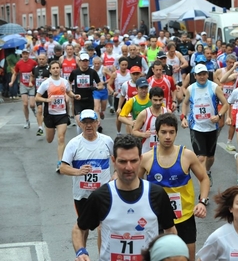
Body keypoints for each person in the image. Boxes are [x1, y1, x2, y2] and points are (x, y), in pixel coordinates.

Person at [72, 134, 177, 261]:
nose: (128, 167)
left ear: (141, 159)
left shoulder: (156, 194)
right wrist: (81, 252)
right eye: (122, 161)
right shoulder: (100, 196)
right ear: (114, 161)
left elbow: (170, 230)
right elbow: (79, 229)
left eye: (133, 161)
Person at [139, 113, 210, 261]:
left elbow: (204, 178)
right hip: (156, 219)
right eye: (163, 132)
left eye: (171, 132)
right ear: (156, 133)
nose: (167, 136)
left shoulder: (187, 155)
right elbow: (135, 186)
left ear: (176, 133)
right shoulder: (146, 158)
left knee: (187, 258)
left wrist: (202, 201)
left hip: (184, 217)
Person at [60, 109, 114, 253]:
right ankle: (81, 255)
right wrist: (78, 171)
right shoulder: (74, 144)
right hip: (82, 195)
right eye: (85, 122)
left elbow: (118, 160)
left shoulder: (107, 141)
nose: (89, 125)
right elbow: (63, 168)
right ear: (80, 124)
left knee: (103, 227)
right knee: (83, 227)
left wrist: (115, 176)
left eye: (92, 122)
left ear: (98, 122)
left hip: (103, 194)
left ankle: (102, 257)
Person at [181, 64, 228, 187]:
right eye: (199, 74)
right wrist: (183, 118)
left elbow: (225, 104)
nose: (202, 77)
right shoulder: (191, 89)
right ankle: (204, 190)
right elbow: (185, 104)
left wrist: (219, 116)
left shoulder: (214, 87)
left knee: (210, 158)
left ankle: (207, 171)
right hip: (196, 127)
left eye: (204, 74)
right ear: (195, 76)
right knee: (201, 158)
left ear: (207, 74)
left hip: (212, 127)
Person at [35, 60, 81, 173]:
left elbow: (69, 92)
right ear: (50, 70)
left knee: (61, 138)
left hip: (62, 114)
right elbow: (37, 97)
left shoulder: (64, 82)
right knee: (49, 139)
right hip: (50, 114)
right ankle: (51, 132)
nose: (56, 70)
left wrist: (74, 96)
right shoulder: (46, 83)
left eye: (57, 68)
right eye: (53, 68)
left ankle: (60, 162)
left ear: (60, 69)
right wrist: (47, 100)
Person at [69, 53, 104, 134]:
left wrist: (95, 88)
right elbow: (69, 82)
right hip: (78, 100)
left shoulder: (92, 72)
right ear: (80, 62)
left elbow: (101, 85)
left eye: (86, 61)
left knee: (89, 122)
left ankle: (90, 137)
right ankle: (79, 139)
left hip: (89, 101)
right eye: (83, 61)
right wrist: (71, 91)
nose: (85, 63)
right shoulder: (75, 72)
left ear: (89, 62)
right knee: (79, 122)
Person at [132, 87, 169, 153]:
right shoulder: (144, 114)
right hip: (147, 151)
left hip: (163, 151)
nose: (158, 103)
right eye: (155, 100)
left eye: (160, 100)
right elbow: (134, 131)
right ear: (150, 99)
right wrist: (143, 134)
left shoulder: (167, 113)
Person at [9, 48, 38, 129]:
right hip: (23, 85)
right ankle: (27, 120)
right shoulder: (19, 63)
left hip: (31, 85)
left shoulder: (33, 62)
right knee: (25, 104)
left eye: (26, 54)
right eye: (23, 54)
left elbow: (37, 72)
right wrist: (12, 82)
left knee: (32, 104)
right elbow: (15, 73)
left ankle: (33, 110)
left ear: (28, 54)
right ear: (21, 54)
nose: (25, 55)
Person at [31, 54, 50, 136]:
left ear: (46, 59)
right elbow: (32, 75)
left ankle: (48, 124)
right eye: (40, 59)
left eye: (43, 59)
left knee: (47, 111)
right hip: (38, 93)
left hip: (48, 93)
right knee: (39, 109)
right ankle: (40, 128)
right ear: (37, 60)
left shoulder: (49, 68)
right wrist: (30, 82)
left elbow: (55, 76)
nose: (41, 60)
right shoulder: (35, 68)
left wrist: (49, 79)